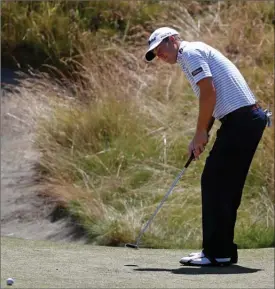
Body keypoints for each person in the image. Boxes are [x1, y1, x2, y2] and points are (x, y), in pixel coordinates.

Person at [144, 27, 272, 266]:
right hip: (244, 120)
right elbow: (214, 98)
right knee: (222, 184)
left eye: (160, 48)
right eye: (155, 53)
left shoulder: (189, 52)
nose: (159, 55)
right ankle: (220, 250)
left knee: (215, 181)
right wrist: (205, 132)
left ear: (173, 40)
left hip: (242, 121)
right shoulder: (191, 55)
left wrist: (200, 132)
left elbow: (208, 93)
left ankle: (217, 252)